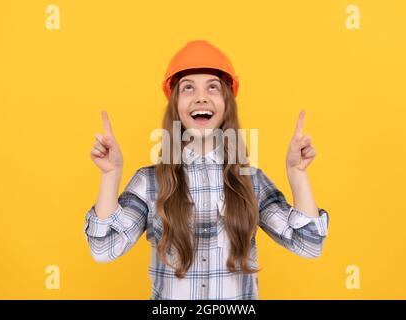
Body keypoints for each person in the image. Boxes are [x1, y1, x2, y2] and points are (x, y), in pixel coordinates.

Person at [84, 40, 329, 300]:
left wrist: (298, 175)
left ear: (226, 104)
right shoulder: (149, 182)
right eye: (188, 88)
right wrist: (110, 176)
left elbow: (309, 244)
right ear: (176, 105)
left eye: (213, 87)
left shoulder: (251, 181)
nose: (201, 97)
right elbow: (103, 249)